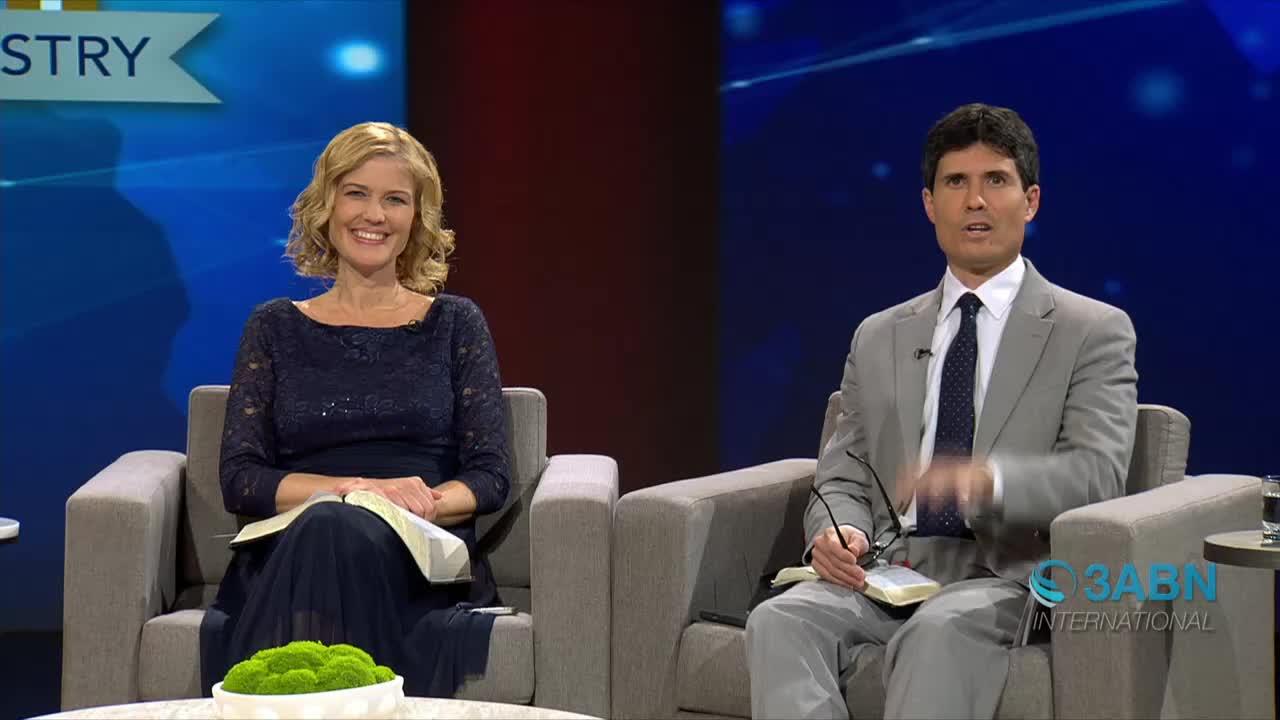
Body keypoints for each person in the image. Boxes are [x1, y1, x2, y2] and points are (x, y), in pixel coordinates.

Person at [745, 103, 1138, 719]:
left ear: (1030, 201)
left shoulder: (1092, 330)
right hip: (888, 568)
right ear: (929, 204)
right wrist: (834, 530)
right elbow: (843, 473)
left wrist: (988, 480)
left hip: (1007, 576)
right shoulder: (878, 335)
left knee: (938, 634)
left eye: (996, 182)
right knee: (782, 620)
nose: (974, 202)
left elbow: (1098, 476)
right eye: (956, 183)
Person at [199, 122, 511, 698]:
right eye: (357, 193)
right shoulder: (273, 326)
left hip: (415, 543)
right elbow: (240, 479)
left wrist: (408, 503)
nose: (375, 214)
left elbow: (491, 476)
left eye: (395, 199)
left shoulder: (454, 323)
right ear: (326, 205)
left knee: (336, 527)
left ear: (416, 218)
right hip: (298, 535)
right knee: (327, 523)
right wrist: (357, 489)